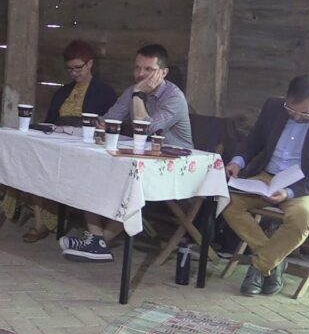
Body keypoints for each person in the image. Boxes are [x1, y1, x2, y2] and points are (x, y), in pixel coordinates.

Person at [60, 44, 193, 262]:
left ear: (163, 73)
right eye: (137, 68)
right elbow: (107, 120)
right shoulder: (132, 91)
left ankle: (98, 242)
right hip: (141, 159)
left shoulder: (173, 97)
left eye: (148, 69)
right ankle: (97, 239)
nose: (140, 74)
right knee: (90, 170)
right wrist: (96, 126)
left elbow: (145, 128)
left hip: (174, 166)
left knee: (128, 183)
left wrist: (139, 94)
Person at [223, 75, 309, 296]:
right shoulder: (274, 106)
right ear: (286, 98)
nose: (296, 116)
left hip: (307, 186)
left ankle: (262, 265)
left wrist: (290, 192)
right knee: (226, 200)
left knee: (303, 217)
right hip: (266, 176)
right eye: (291, 109)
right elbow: (254, 140)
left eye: (305, 113)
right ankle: (276, 260)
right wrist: (237, 162)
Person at [16, 40, 117, 242]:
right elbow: (50, 121)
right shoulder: (63, 91)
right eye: (70, 69)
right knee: (32, 159)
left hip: (84, 145)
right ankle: (39, 223)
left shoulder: (104, 92)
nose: (74, 73)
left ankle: (2, 192)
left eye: (78, 68)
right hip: (59, 139)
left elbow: (107, 126)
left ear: (90, 64)